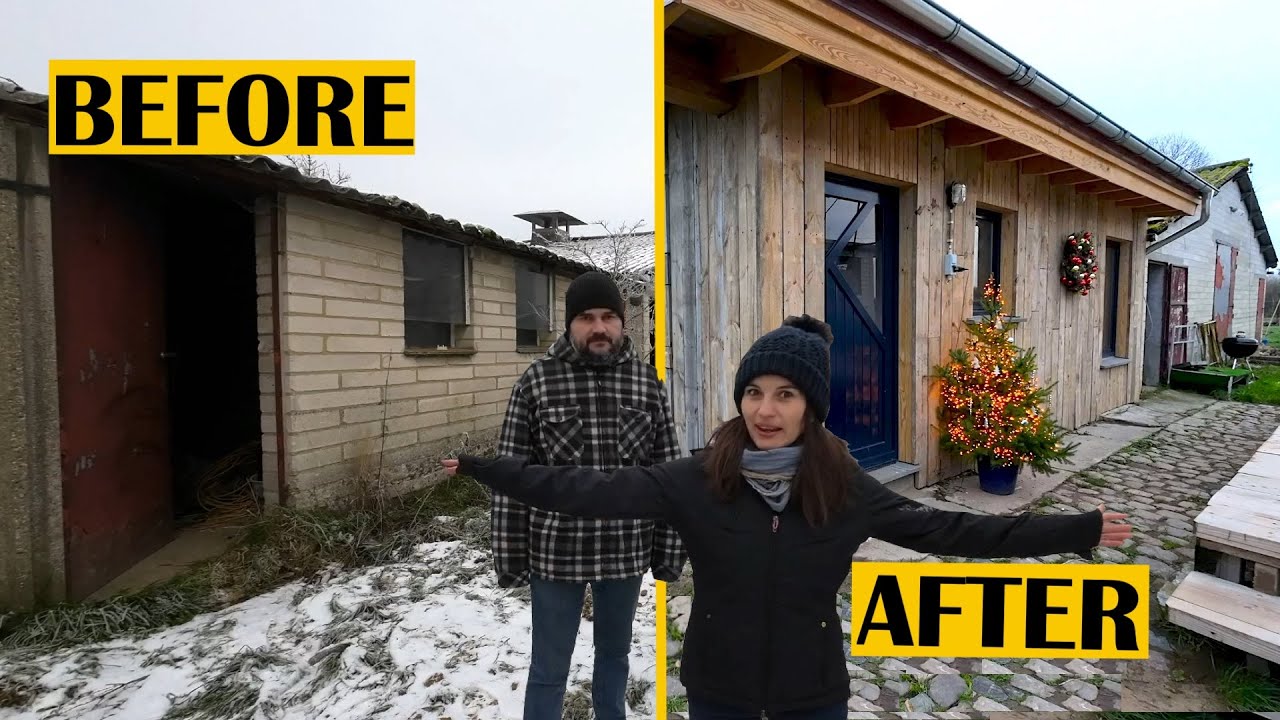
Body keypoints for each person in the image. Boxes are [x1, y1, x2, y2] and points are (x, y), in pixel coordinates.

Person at [447, 314, 1132, 720]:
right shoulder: (694, 479)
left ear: (811, 405)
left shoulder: (847, 490)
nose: (764, 410)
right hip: (719, 692)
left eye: (783, 394)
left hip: (813, 692)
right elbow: (584, 489)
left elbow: (961, 532)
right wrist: (487, 468)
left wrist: (1078, 529)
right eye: (752, 391)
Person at [489, 270, 686, 720]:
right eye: (586, 317)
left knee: (614, 658)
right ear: (568, 324)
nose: (599, 327)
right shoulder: (536, 382)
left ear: (621, 322)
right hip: (557, 553)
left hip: (625, 550)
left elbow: (669, 475)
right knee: (548, 667)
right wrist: (511, 559)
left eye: (608, 317)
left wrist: (668, 552)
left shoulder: (646, 383)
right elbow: (511, 476)